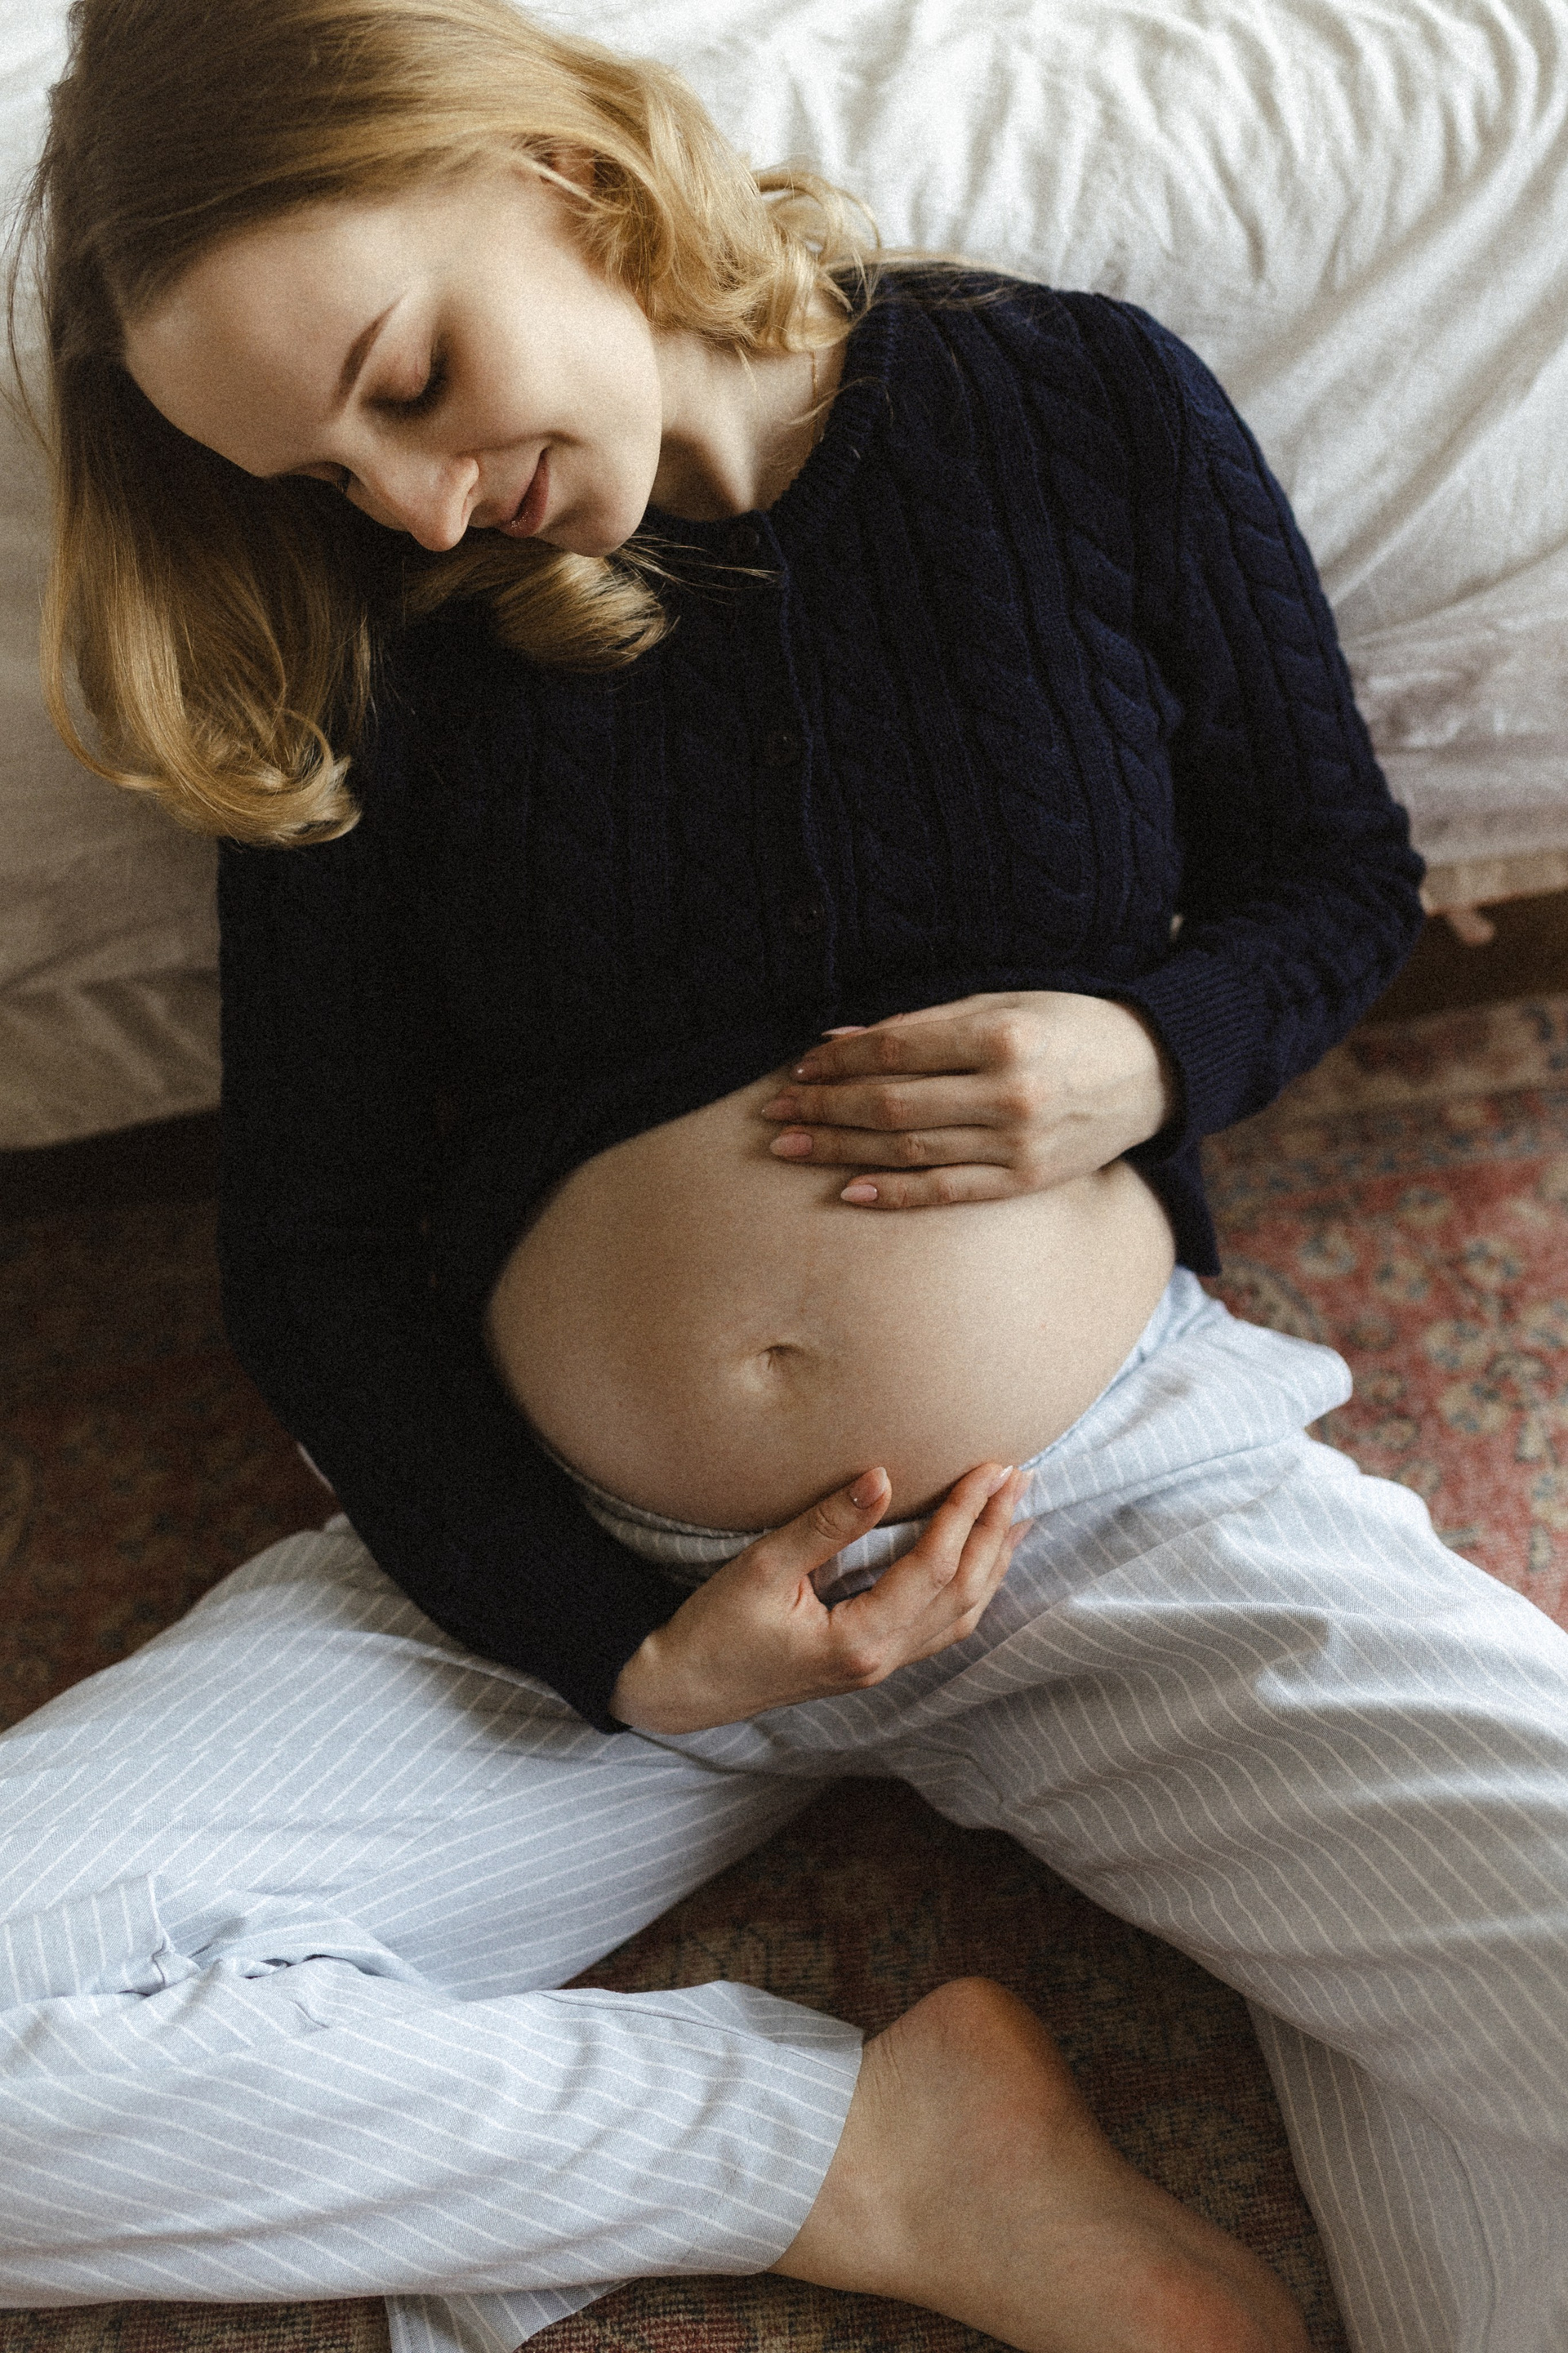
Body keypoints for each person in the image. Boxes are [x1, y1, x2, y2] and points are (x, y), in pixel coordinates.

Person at [4, 1, 1566, 2349]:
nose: (409, 505)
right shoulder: (373, 626)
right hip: (560, 1597)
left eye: (409, 382)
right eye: (324, 472)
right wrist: (611, 1639)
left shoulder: (1073, 400)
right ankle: (864, 2159)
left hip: (1107, 1510)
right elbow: (311, 1251)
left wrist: (1153, 1050)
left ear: (561, 172)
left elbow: (1332, 872)